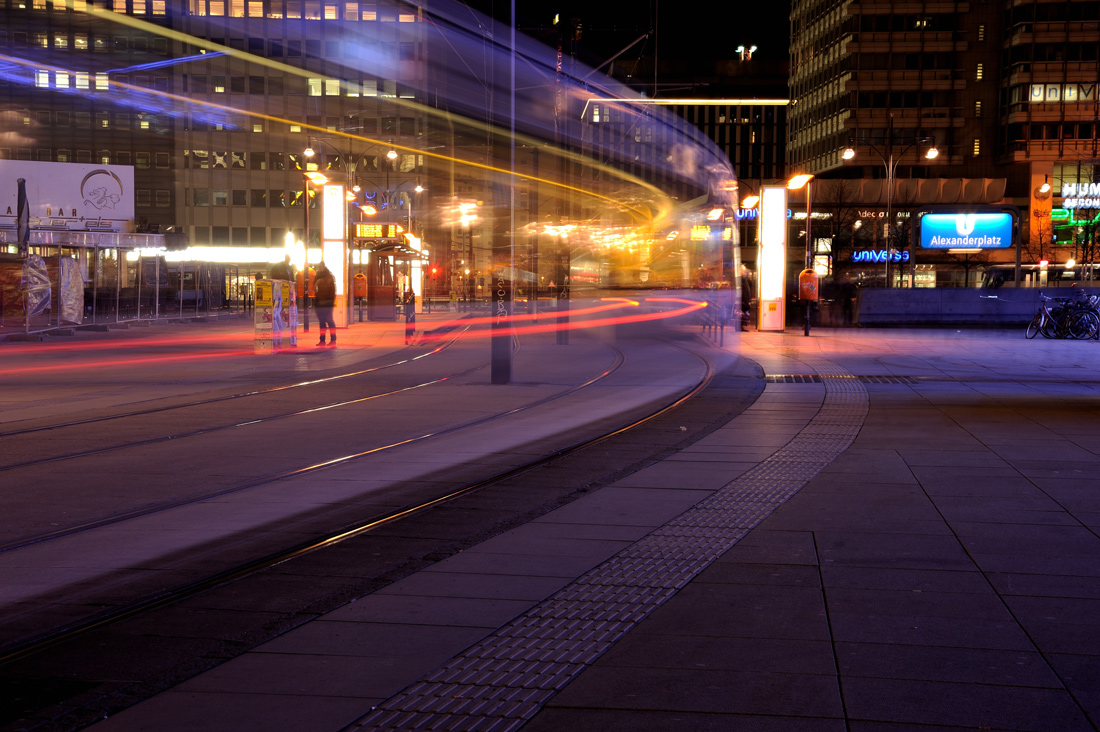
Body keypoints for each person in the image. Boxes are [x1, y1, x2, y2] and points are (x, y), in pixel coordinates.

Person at [314, 262, 337, 346]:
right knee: (322, 322)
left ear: (324, 267)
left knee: (329, 320)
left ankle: (333, 339)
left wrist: (331, 302)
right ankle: (322, 340)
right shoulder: (317, 277)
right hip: (319, 302)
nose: (320, 269)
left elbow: (332, 290)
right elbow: (315, 289)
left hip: (327, 302)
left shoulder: (329, 277)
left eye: (321, 267)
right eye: (319, 267)